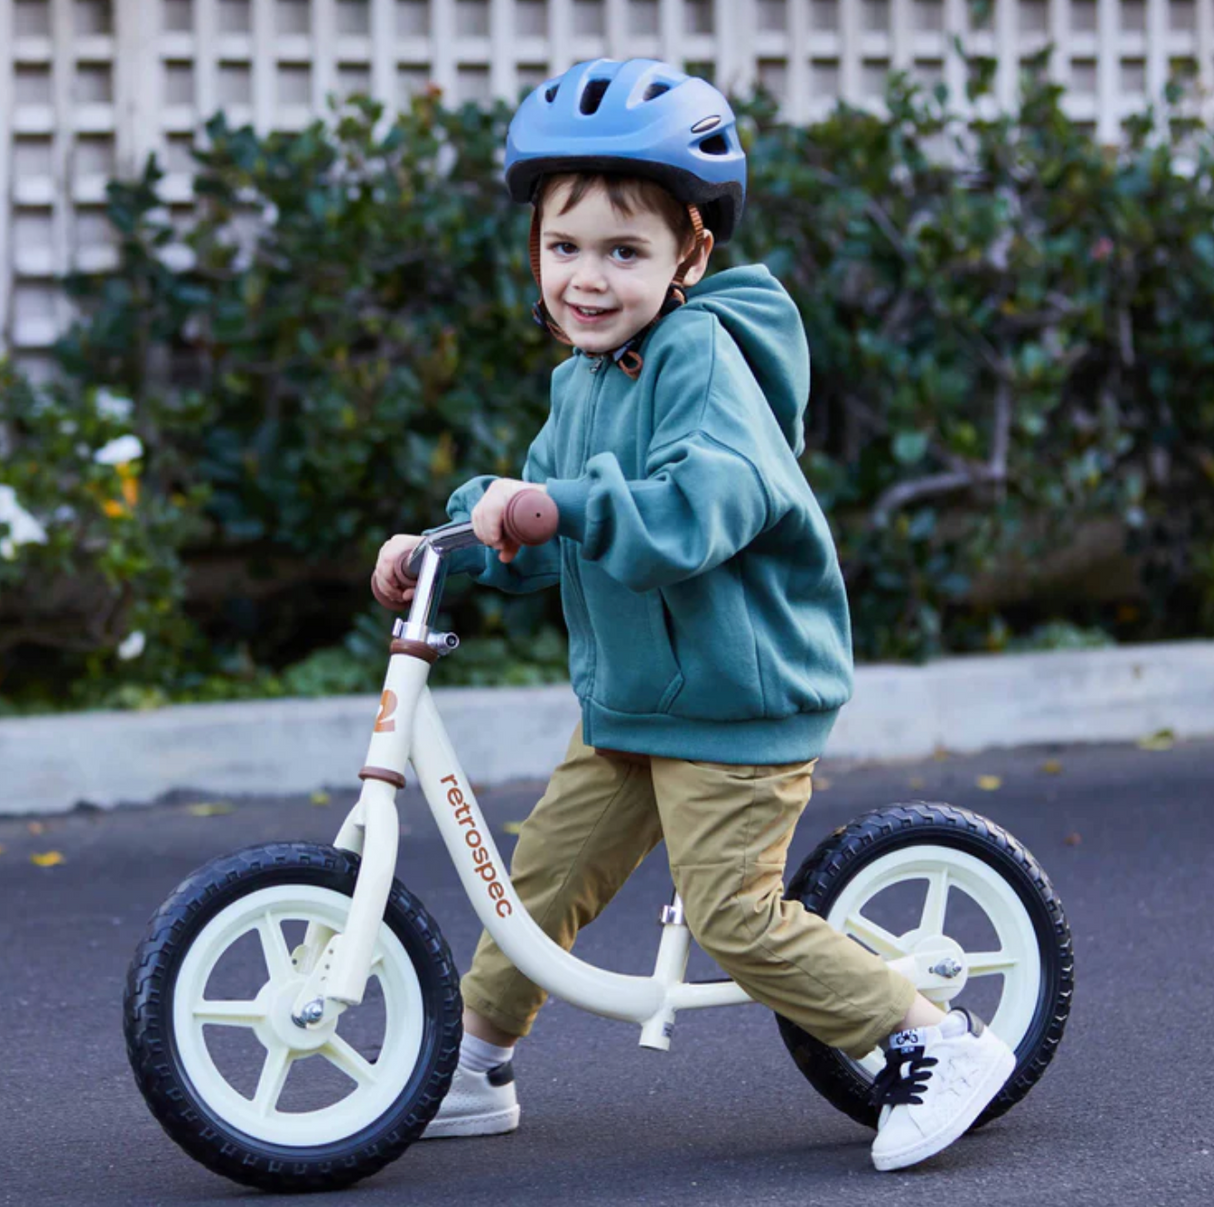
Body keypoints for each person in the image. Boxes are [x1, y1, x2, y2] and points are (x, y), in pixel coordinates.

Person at [372, 57, 1015, 1173]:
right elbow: (547, 536)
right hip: (631, 699)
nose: (586, 276)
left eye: (623, 251)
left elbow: (685, 518)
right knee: (540, 881)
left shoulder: (703, 360)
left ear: (689, 256)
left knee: (732, 916)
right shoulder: (582, 380)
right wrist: (451, 543)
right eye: (564, 247)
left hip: (731, 694)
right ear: (534, 252)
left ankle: (933, 1038)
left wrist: (549, 504)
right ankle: (469, 1061)